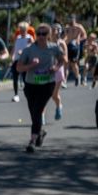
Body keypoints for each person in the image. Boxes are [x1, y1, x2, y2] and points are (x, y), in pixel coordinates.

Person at [17, 24, 65, 153]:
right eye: (39, 34)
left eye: (44, 34)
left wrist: (56, 68)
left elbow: (62, 60)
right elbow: (19, 68)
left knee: (38, 110)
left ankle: (32, 141)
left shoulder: (54, 48)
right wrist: (31, 65)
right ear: (36, 35)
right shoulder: (29, 50)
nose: (41, 37)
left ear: (49, 35)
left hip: (47, 84)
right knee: (34, 112)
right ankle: (40, 132)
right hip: (31, 85)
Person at [48, 24, 68, 120]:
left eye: (55, 30)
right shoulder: (46, 43)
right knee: (43, 95)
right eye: (52, 30)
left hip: (58, 70)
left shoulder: (61, 43)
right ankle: (41, 118)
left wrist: (57, 64)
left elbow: (66, 60)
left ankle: (59, 106)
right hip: (47, 70)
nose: (53, 32)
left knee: (54, 94)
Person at [10, 21, 33, 99]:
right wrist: (12, 56)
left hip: (25, 61)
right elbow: (14, 48)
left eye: (24, 30)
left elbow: (31, 48)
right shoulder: (18, 37)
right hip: (16, 60)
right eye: (21, 30)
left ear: (26, 30)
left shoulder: (29, 38)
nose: (22, 31)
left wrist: (23, 52)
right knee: (15, 78)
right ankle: (16, 95)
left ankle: (28, 93)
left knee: (25, 78)